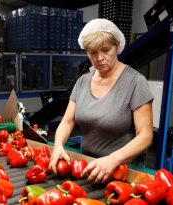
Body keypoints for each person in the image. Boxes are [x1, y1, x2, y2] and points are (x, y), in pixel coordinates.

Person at [49, 18, 154, 184]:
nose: (99, 58)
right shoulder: (82, 82)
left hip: (122, 170)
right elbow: (67, 122)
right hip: (87, 166)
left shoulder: (135, 82)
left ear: (117, 46)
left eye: (106, 50)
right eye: (93, 52)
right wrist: (58, 146)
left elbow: (145, 135)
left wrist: (113, 160)